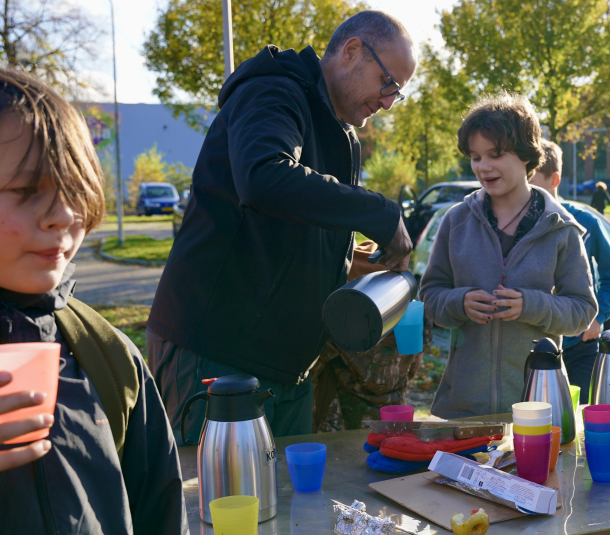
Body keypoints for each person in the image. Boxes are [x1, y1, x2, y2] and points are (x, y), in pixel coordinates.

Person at [146, 11, 418, 445]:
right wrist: (381, 214)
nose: (387, 102)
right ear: (352, 51)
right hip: (217, 356)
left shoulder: (340, 133)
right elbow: (265, 177)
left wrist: (348, 263)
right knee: (216, 506)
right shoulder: (272, 90)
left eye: (397, 94)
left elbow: (299, 220)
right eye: (388, 84)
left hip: (289, 369)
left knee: (288, 507)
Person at [0, 68, 188, 533]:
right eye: (25, 191)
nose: (64, 215)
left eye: (75, 189)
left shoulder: (110, 357)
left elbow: (160, 514)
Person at [419, 92, 598, 418]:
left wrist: (530, 305)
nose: (483, 167)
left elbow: (583, 312)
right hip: (462, 409)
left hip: (539, 408)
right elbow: (431, 297)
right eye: (475, 157)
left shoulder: (561, 228)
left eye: (496, 154)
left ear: (528, 155)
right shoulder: (455, 221)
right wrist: (459, 302)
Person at [529, 140, 610, 402]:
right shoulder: (519, 226)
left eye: (531, 180)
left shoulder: (586, 221)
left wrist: (598, 318)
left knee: (582, 419)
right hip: (537, 345)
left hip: (581, 346)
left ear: (554, 180)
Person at [311, 240, 432, 432]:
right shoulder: (408, 316)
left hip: (336, 427)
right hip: (391, 425)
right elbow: (411, 369)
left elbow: (309, 372)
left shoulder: (339, 324)